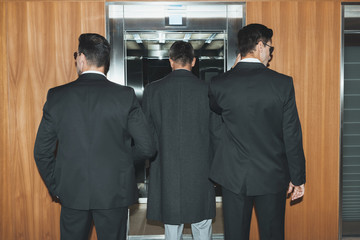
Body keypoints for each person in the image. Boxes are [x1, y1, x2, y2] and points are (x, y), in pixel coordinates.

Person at [34, 33, 156, 240]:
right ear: (105, 61)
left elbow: (41, 151)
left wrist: (57, 186)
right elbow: (147, 147)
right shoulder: (125, 96)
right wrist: (122, 163)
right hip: (113, 190)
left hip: (72, 191)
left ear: (81, 58)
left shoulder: (57, 96)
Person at [208, 23, 306, 240]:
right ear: (260, 46)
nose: (271, 53)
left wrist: (233, 72)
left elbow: (216, 116)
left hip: (233, 176)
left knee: (235, 235)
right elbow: (291, 133)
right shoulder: (282, 84)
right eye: (271, 48)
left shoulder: (218, 83)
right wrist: (297, 177)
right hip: (272, 175)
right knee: (272, 235)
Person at [143, 41, 219, 240]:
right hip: (201, 170)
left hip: (166, 169)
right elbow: (216, 134)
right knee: (202, 225)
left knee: (171, 226)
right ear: (193, 61)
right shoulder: (208, 90)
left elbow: (147, 134)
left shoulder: (153, 90)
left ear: (171, 61)